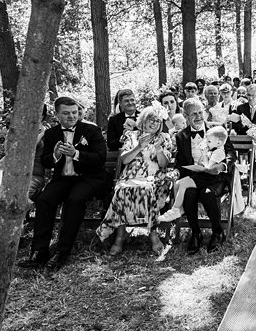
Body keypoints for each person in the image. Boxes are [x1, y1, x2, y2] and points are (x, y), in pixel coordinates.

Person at [18, 96, 107, 271]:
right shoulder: (51, 134)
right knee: (44, 199)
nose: (71, 116)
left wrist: (76, 154)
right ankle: (38, 252)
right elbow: (45, 162)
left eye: (74, 112)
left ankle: (62, 252)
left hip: (90, 178)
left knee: (75, 200)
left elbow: (100, 159)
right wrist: (55, 156)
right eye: (66, 113)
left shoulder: (91, 131)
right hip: (63, 179)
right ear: (57, 115)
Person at [97, 105, 176, 255]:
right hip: (131, 176)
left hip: (156, 178)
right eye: (151, 120)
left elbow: (164, 164)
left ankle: (152, 235)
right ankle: (120, 236)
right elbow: (125, 159)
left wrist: (159, 149)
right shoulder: (132, 136)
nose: (154, 124)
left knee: (146, 189)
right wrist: (139, 146)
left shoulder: (164, 138)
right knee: (122, 189)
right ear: (143, 121)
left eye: (158, 121)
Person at [0, 106, 49, 248]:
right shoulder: (16, 129)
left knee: (19, 194)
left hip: (32, 174)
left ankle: (13, 231)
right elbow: (13, 151)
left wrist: (41, 133)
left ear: (43, 116)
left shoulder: (48, 133)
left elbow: (29, 150)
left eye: (37, 114)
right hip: (4, 168)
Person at [174, 98, 236, 253]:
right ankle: (196, 233)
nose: (198, 116)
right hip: (195, 177)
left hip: (215, 177)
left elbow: (230, 153)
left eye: (200, 112)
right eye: (193, 114)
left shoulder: (218, 130)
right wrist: (175, 172)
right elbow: (180, 162)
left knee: (207, 193)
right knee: (188, 193)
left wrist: (222, 166)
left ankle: (217, 231)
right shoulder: (181, 136)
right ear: (185, 116)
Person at [159, 126, 228, 223]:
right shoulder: (213, 150)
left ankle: (175, 209)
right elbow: (203, 163)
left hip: (209, 179)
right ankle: (179, 208)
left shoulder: (219, 152)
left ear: (219, 142)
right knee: (177, 183)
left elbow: (208, 166)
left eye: (209, 142)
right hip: (202, 176)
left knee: (182, 184)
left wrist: (204, 155)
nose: (207, 144)